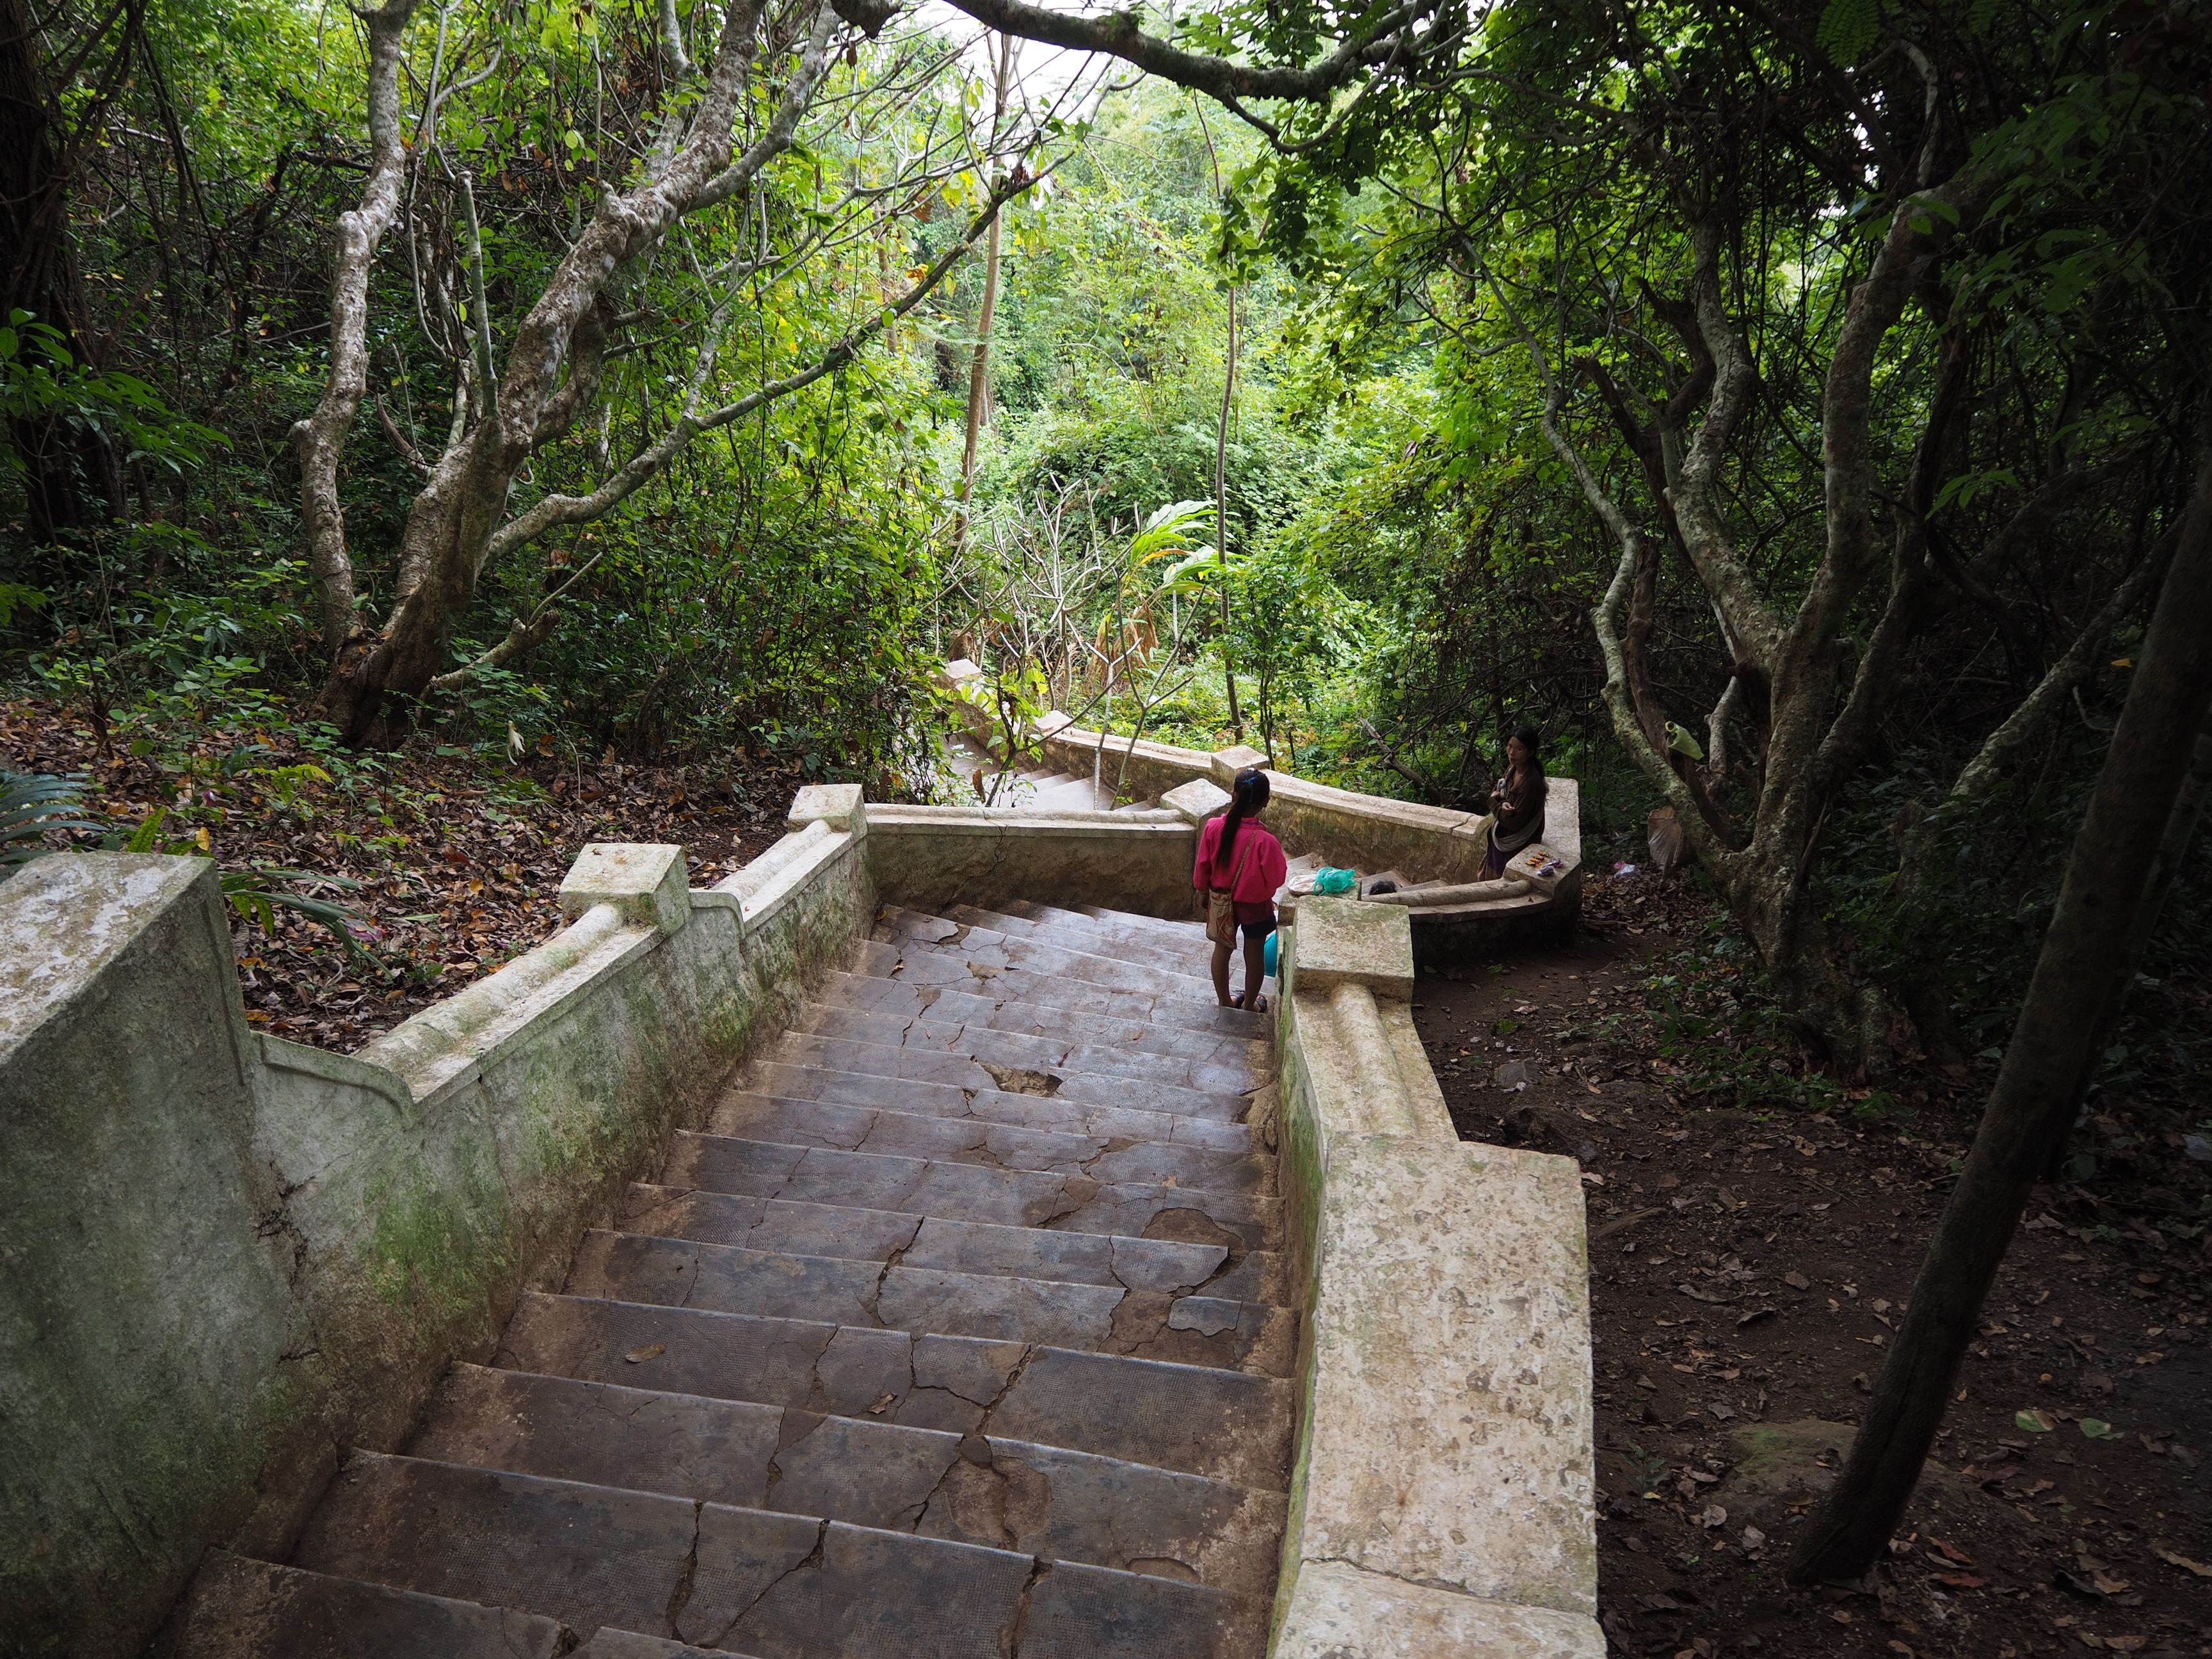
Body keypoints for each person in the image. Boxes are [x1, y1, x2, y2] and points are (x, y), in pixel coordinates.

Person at [1194, 768, 1288, 1012]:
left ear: (1233, 795)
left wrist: (1203, 892)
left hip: (1220, 899)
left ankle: (1225, 1001)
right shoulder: (1266, 841)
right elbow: (1277, 878)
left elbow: (1203, 866)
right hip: (1255, 906)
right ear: (1265, 802)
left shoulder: (1213, 827)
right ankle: (1249, 1005)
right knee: (1254, 953)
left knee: (1222, 949)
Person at [1484, 725, 1548, 878]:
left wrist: (1493, 803)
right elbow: (1502, 794)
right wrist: (1503, 802)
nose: (1512, 752)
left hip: (1516, 844)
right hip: (1502, 837)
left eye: (1519, 749)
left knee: (1502, 881)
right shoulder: (1513, 769)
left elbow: (1515, 823)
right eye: (1510, 746)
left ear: (1530, 752)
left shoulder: (1531, 783)